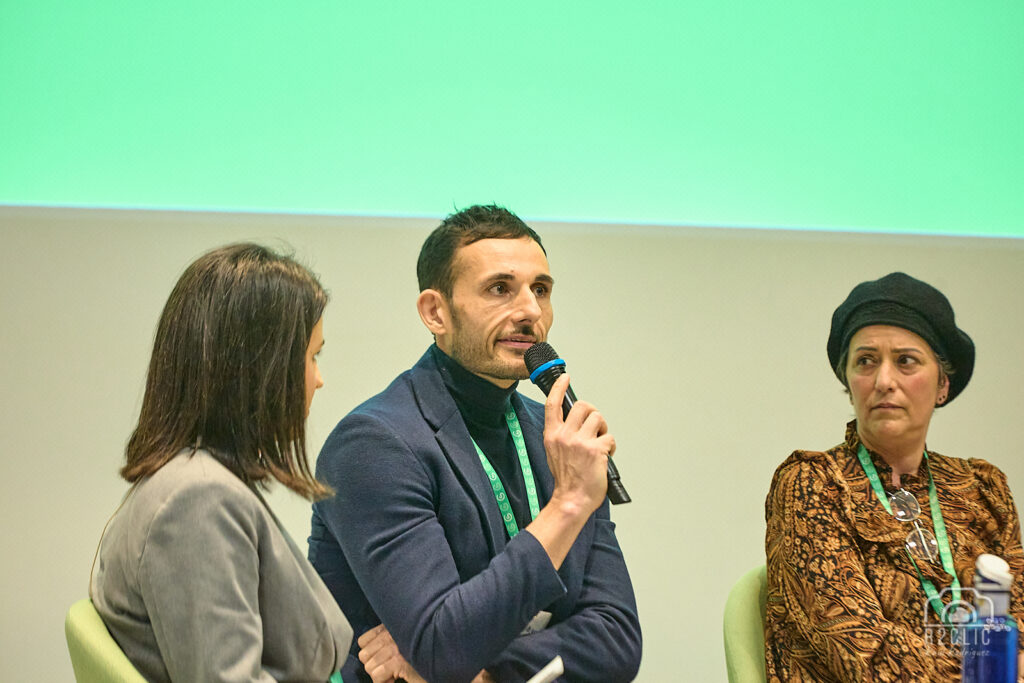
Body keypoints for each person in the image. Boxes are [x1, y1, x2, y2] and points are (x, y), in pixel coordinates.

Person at [308, 205, 642, 682]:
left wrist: (486, 673)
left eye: (540, 290)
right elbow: (442, 647)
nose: (530, 311)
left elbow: (617, 641)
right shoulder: (374, 444)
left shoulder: (559, 437)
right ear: (435, 312)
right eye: (499, 289)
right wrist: (568, 505)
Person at [91, 243, 352, 682]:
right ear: (260, 369)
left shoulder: (190, 483)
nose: (318, 379)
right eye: (312, 357)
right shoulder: (198, 500)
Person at [764, 272, 1024, 681]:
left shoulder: (983, 488)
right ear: (849, 383)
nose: (884, 381)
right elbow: (862, 652)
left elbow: (1018, 618)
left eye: (905, 361)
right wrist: (992, 671)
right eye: (866, 361)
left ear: (943, 384)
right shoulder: (811, 484)